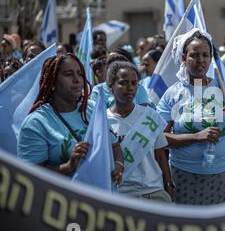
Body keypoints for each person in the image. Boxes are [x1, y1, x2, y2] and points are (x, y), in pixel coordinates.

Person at [157, 29, 225, 205]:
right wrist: (196, 137)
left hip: (223, 176)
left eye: (206, 55)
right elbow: (159, 138)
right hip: (185, 176)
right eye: (194, 55)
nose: (201, 60)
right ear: (184, 58)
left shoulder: (223, 89)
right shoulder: (173, 94)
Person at [17, 54, 123, 183]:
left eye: (80, 73)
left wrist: (118, 167)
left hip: (99, 198)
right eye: (68, 74)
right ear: (52, 82)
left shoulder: (92, 109)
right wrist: (68, 166)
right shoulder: (36, 123)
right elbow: (31, 176)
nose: (77, 80)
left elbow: (115, 146)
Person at [106, 61, 173, 202]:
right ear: (111, 87)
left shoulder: (150, 115)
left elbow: (160, 155)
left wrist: (168, 184)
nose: (129, 88)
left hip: (153, 190)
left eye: (134, 83)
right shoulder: (103, 120)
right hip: (120, 194)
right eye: (123, 83)